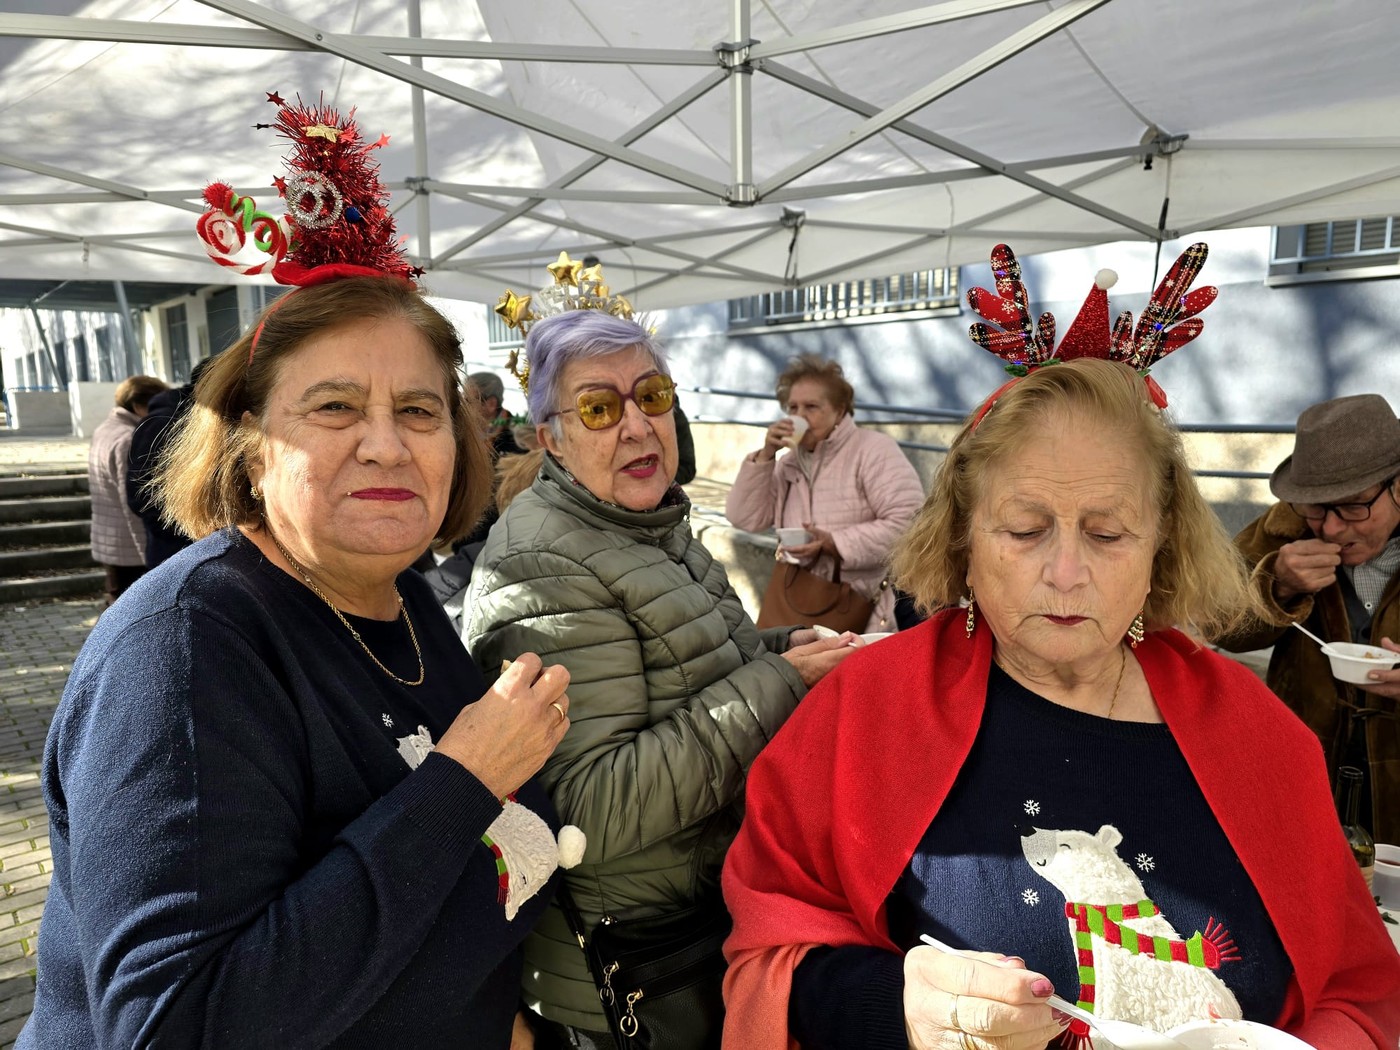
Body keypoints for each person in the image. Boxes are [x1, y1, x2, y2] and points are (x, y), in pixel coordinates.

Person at [720, 245, 1400, 1049]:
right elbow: (766, 956)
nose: (1067, 573)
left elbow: (1361, 992)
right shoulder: (865, 710)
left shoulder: (1261, 733)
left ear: (1164, 548)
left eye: (1109, 533)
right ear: (964, 538)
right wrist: (892, 1005)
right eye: (1024, 529)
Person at [21, 94, 577, 1050]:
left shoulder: (397, 595)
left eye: (418, 409)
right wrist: (464, 777)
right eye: (332, 408)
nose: (385, 445)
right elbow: (174, 1029)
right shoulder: (187, 652)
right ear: (248, 446)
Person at [465, 307, 855, 1045]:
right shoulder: (542, 563)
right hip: (632, 973)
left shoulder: (648, 523)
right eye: (600, 408)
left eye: (651, 396)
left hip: (702, 920)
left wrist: (780, 646)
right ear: (550, 437)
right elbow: (588, 809)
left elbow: (680, 666)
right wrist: (781, 682)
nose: (639, 427)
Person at [1213, 393, 1400, 842]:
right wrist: (1277, 586)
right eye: (1316, 507)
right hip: (1303, 775)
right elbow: (1218, 622)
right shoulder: (1280, 532)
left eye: (1354, 505)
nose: (1332, 528)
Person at [725, 353, 922, 632]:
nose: (798, 417)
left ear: (840, 411)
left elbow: (909, 523)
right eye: (793, 408)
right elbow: (743, 518)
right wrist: (765, 456)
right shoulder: (786, 462)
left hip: (858, 606)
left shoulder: (873, 450)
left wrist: (835, 543)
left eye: (811, 407)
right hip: (794, 597)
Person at [87, 374, 166, 605]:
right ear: (138, 405)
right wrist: (147, 554)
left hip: (108, 540)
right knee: (126, 612)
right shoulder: (127, 439)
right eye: (153, 406)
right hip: (128, 548)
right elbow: (132, 502)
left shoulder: (105, 429)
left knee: (114, 602)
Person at [125, 358, 212, 568]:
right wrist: (194, 525)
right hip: (173, 551)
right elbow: (140, 496)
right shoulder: (161, 423)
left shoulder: (210, 419)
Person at [469, 370, 527, 458]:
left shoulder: (519, 441)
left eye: (468, 401)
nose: (462, 406)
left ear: (491, 404)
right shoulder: (464, 431)